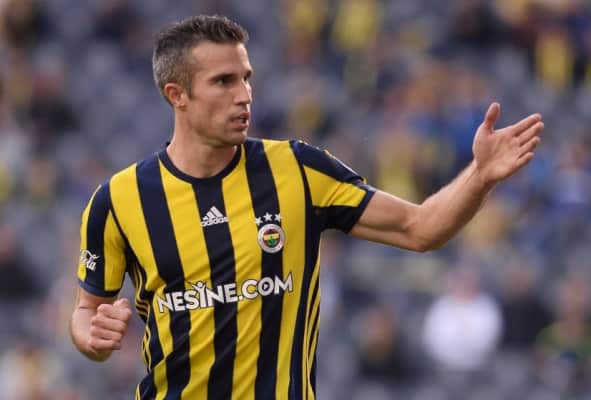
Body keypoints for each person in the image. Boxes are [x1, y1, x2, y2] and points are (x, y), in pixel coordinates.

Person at [69, 14, 544, 400]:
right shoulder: (119, 200)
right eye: (223, 81)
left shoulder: (297, 170)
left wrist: (480, 175)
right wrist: (91, 337)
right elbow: (86, 310)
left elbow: (420, 228)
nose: (244, 95)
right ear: (177, 95)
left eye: (247, 78)